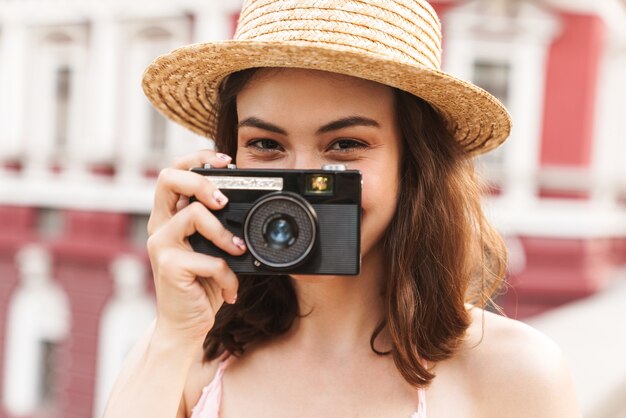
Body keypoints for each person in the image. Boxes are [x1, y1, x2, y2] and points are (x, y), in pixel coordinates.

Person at [104, 0, 581, 417]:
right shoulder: (187, 348)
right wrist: (173, 335)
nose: (300, 187)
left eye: (345, 145)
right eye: (266, 144)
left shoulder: (514, 373)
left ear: (412, 164)